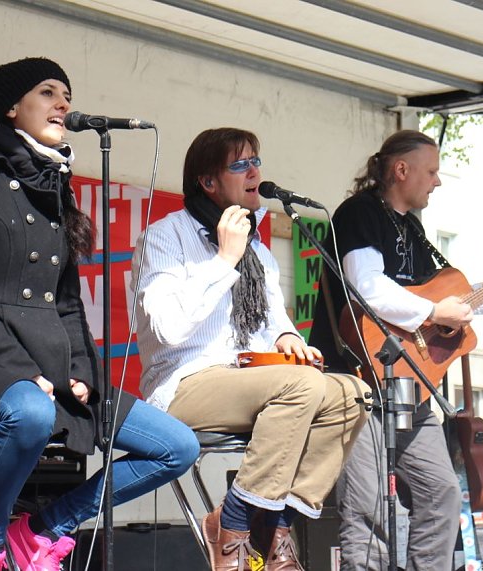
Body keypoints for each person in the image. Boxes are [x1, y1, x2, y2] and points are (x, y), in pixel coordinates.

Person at [0, 57, 200, 571]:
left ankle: (44, 528)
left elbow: (65, 302)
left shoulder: (56, 185)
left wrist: (80, 372)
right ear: (11, 107)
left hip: (50, 365)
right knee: (32, 410)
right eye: (47, 92)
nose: (63, 103)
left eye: (65, 94)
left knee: (176, 446)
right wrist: (26, 373)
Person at [131, 127, 370, 571]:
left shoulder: (258, 252)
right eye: (240, 164)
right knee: (301, 386)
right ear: (208, 182)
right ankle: (237, 525)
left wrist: (289, 338)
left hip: (253, 381)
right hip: (183, 386)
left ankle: (271, 525)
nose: (255, 170)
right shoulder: (165, 238)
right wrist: (223, 260)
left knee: (352, 393)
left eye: (256, 160)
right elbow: (165, 329)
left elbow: (273, 321)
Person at [310, 130, 483, 571]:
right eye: (431, 171)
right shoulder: (359, 214)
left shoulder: (412, 227)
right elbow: (368, 290)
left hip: (409, 389)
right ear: (401, 170)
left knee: (442, 493)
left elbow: (443, 300)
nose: (436, 182)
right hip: (358, 384)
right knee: (367, 510)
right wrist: (436, 309)